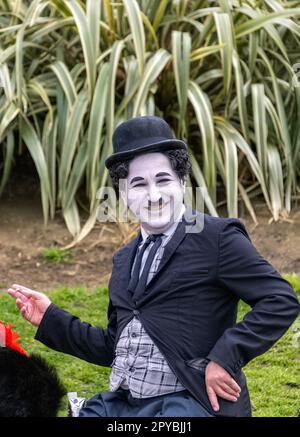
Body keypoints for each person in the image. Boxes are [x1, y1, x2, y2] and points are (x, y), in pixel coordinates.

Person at [7, 116, 300, 417]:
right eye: (138, 184)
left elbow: (279, 300)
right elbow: (113, 346)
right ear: (123, 194)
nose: (154, 195)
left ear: (182, 182)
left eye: (163, 180)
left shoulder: (217, 238)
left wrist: (225, 357)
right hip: (124, 406)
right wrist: (50, 318)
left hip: (189, 403)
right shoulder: (123, 260)